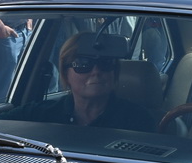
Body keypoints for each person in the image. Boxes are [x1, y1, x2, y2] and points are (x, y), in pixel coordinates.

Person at [23, 33, 153, 130]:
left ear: (115, 72)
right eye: (83, 64)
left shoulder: (138, 120)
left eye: (105, 63)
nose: (96, 71)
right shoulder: (39, 115)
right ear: (65, 73)